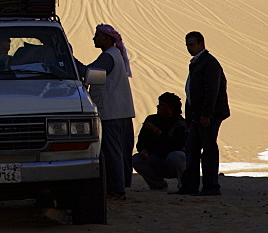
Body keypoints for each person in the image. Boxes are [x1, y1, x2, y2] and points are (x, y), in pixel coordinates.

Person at [76, 24, 136, 199]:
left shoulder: (109, 57)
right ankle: (117, 187)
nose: (94, 39)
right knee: (117, 152)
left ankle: (117, 190)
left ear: (107, 39)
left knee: (112, 152)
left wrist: (68, 59)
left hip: (112, 112)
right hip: (119, 111)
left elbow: (90, 74)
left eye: (97, 36)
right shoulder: (113, 55)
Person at [177, 31, 230, 196]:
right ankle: (190, 186)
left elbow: (212, 91)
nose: (189, 48)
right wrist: (189, 117)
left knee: (208, 150)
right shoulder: (197, 63)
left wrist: (206, 114)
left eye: (191, 44)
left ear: (201, 44)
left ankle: (211, 186)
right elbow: (191, 92)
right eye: (187, 45)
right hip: (197, 116)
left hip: (208, 116)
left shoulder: (209, 63)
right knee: (192, 150)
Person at [132, 92, 187, 191]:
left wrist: (158, 132)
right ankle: (158, 185)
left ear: (171, 109)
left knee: (177, 156)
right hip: (156, 160)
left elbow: (176, 145)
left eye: (162, 105)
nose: (158, 107)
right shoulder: (151, 119)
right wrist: (144, 150)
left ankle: (184, 185)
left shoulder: (180, 124)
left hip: (172, 162)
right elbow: (141, 141)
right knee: (136, 159)